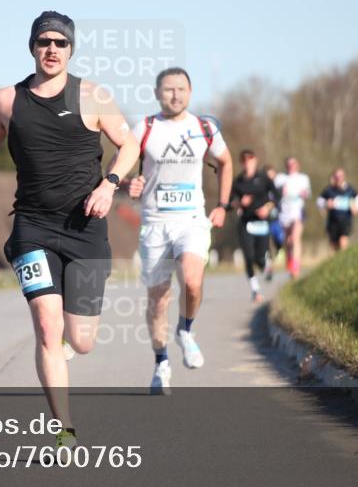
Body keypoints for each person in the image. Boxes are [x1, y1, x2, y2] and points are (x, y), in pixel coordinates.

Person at [0, 11, 139, 447]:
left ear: (70, 49)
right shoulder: (7, 100)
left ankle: (65, 350)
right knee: (47, 327)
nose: (51, 49)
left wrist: (109, 184)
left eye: (60, 43)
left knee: (81, 341)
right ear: (32, 46)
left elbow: (129, 145)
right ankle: (64, 429)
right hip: (32, 227)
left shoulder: (93, 96)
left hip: (85, 229)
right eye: (44, 41)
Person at [127, 67, 233, 394]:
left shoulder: (204, 128)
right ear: (157, 93)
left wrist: (222, 205)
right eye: (169, 89)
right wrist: (128, 183)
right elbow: (117, 165)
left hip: (191, 220)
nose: (175, 95)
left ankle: (185, 330)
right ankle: (161, 363)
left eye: (181, 89)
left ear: (190, 92)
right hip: (155, 224)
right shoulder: (144, 128)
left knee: (191, 280)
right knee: (158, 300)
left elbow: (226, 163)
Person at [230, 150, 279, 302]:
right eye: (244, 160)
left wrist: (267, 208)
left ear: (255, 161)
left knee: (259, 259)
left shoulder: (264, 179)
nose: (247, 163)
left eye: (250, 160)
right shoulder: (238, 182)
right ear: (241, 163)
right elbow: (229, 203)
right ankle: (255, 290)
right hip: (246, 223)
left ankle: (266, 263)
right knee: (248, 257)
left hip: (262, 223)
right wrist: (239, 203)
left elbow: (277, 196)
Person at [274, 157, 311, 279]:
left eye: (293, 163)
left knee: (295, 238)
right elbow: (273, 192)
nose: (291, 166)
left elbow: (308, 193)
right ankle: (290, 261)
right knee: (288, 241)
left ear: (298, 165)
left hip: (297, 212)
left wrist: (304, 193)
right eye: (289, 164)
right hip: (284, 213)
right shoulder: (280, 178)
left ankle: (295, 268)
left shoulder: (303, 178)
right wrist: (281, 191)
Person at [316, 168, 358, 252]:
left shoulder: (350, 190)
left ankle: (344, 257)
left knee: (343, 240)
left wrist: (356, 209)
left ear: (344, 177)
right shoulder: (329, 190)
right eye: (336, 176)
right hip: (332, 220)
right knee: (333, 245)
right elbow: (319, 201)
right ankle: (336, 259)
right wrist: (326, 204)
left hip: (346, 220)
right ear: (334, 177)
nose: (338, 178)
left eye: (340, 176)